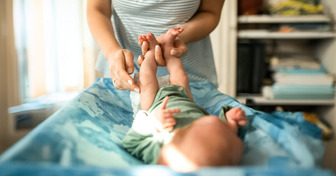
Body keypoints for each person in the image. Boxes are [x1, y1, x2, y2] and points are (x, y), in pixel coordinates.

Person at [123, 28, 247, 172]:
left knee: (146, 79)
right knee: (180, 76)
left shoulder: (163, 148)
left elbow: (131, 142)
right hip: (184, 98)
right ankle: (169, 47)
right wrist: (230, 120)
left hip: (155, 105)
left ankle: (151, 51)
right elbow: (218, 133)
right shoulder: (213, 141)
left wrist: (154, 123)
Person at [87, 0, 225, 93]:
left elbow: (210, 12)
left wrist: (178, 37)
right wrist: (112, 54)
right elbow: (97, 9)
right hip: (124, 76)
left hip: (193, 78)